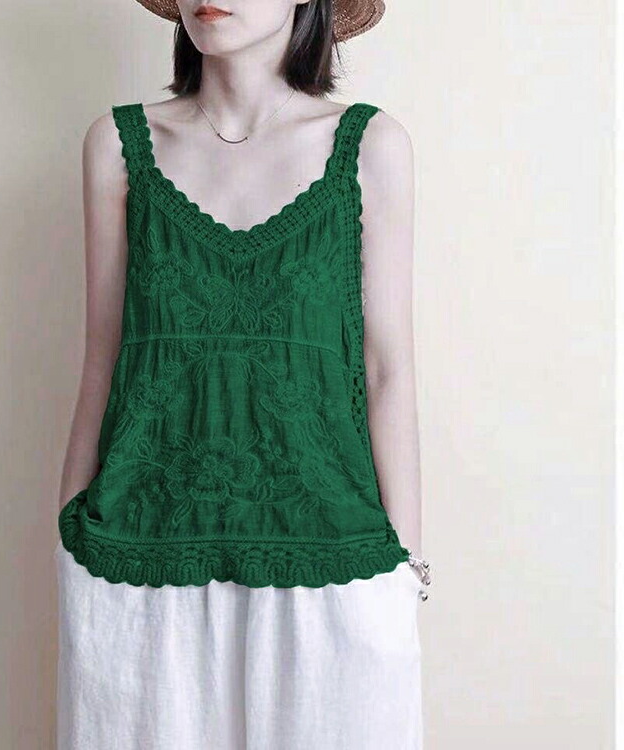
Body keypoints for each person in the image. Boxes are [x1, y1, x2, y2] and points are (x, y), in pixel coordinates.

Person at [54, 0, 431, 747]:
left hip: (331, 559)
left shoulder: (370, 146)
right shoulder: (119, 145)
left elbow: (387, 368)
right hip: (138, 563)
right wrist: (66, 541)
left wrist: (406, 566)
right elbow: (104, 357)